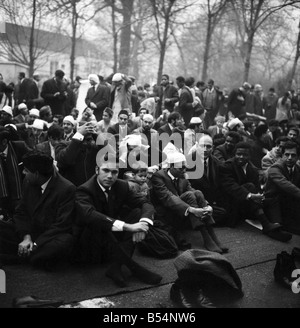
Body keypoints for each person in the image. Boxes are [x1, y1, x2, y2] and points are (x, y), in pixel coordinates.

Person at [75, 155, 162, 287]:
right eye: (106, 171)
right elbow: (89, 216)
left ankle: (116, 266)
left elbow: (145, 202)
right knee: (99, 223)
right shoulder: (84, 189)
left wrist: (143, 224)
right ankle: (135, 269)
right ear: (97, 170)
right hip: (90, 241)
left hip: (112, 238)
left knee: (137, 213)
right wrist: (128, 227)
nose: (110, 176)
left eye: (114, 172)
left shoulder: (121, 186)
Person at [0, 151, 75, 270]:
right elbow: (21, 212)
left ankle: (21, 256)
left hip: (48, 238)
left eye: (26, 170)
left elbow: (62, 225)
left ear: (36, 174)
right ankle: (28, 255)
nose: (23, 173)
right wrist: (26, 237)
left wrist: (35, 244)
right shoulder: (29, 182)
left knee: (64, 243)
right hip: (28, 232)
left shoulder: (66, 189)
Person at [151, 151, 227, 253]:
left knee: (198, 192)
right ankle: (206, 236)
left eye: (185, 167)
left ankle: (211, 234)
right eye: (181, 168)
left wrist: (207, 205)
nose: (184, 170)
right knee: (189, 195)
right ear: (171, 167)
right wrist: (192, 209)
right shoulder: (158, 176)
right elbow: (167, 197)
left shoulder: (182, 175)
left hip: (183, 207)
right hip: (167, 210)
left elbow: (190, 189)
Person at [219, 142, 292, 242]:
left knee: (271, 199)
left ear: (250, 156)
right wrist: (250, 195)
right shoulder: (227, 166)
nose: (241, 157)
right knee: (249, 186)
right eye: (238, 154)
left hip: (250, 205)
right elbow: (231, 187)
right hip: (234, 206)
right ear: (234, 154)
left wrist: (260, 196)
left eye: (245, 155)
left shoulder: (252, 169)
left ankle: (277, 227)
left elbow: (257, 188)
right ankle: (266, 224)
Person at [264, 141, 300, 234]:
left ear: (298, 157)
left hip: (289, 202)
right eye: (286, 155)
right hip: (273, 203)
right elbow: (286, 185)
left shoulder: (297, 168)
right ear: (282, 155)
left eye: (293, 155)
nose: (289, 158)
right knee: (282, 229)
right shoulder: (275, 168)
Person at [0, 126, 31, 218]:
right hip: (3, 199)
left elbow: (34, 163)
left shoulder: (19, 147)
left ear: (4, 142)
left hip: (21, 195)